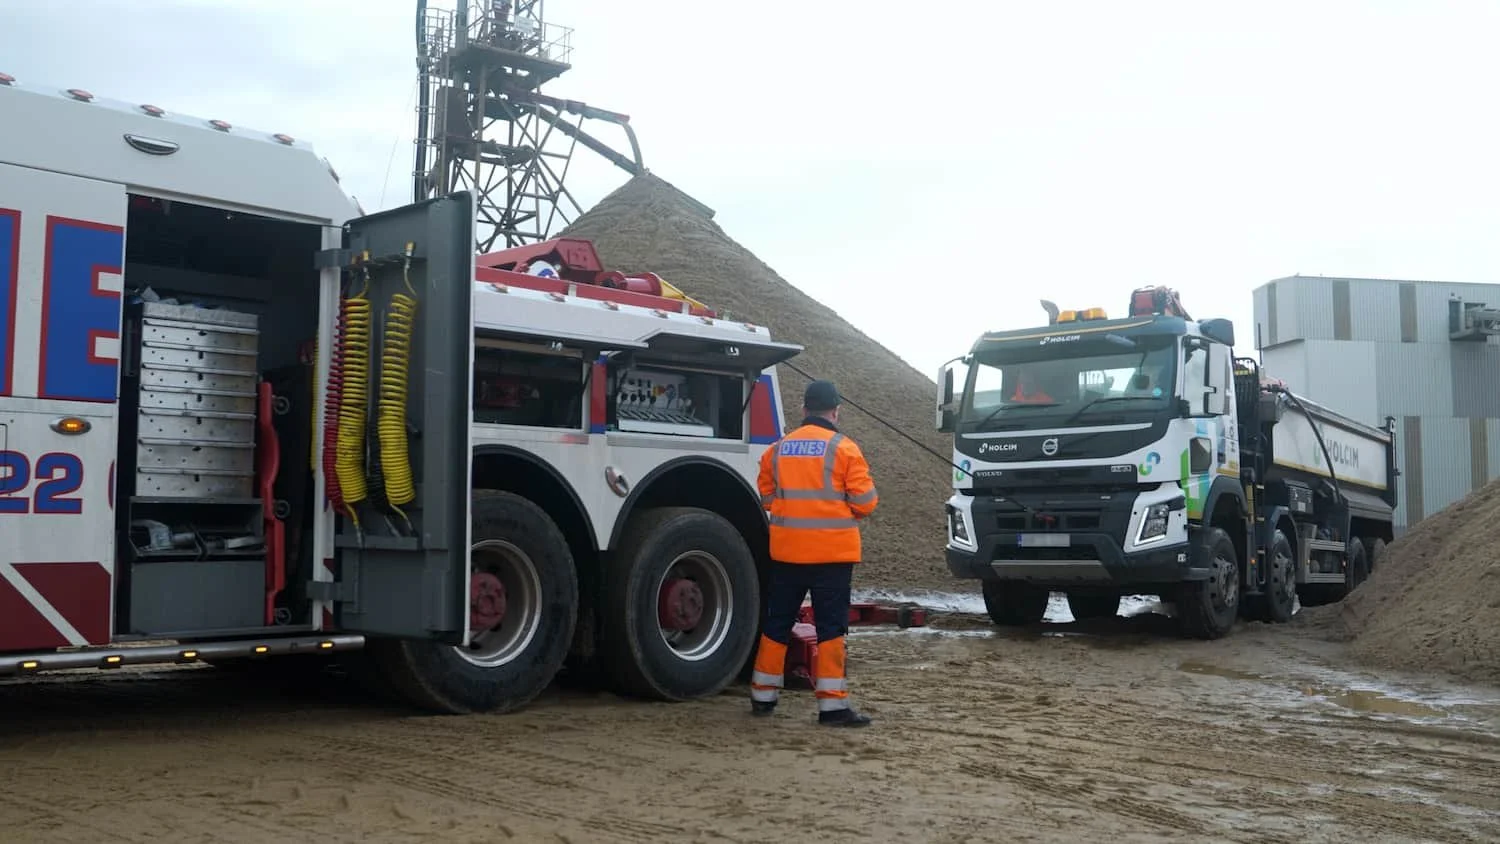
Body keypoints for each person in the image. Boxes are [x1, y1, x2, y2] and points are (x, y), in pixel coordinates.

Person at [749, 379, 879, 727]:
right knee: (831, 628)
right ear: (835, 412)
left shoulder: (776, 450)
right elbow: (866, 503)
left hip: (788, 552)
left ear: (804, 410)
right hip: (831, 555)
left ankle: (763, 696)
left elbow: (765, 498)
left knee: (777, 623)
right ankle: (832, 707)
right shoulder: (845, 449)